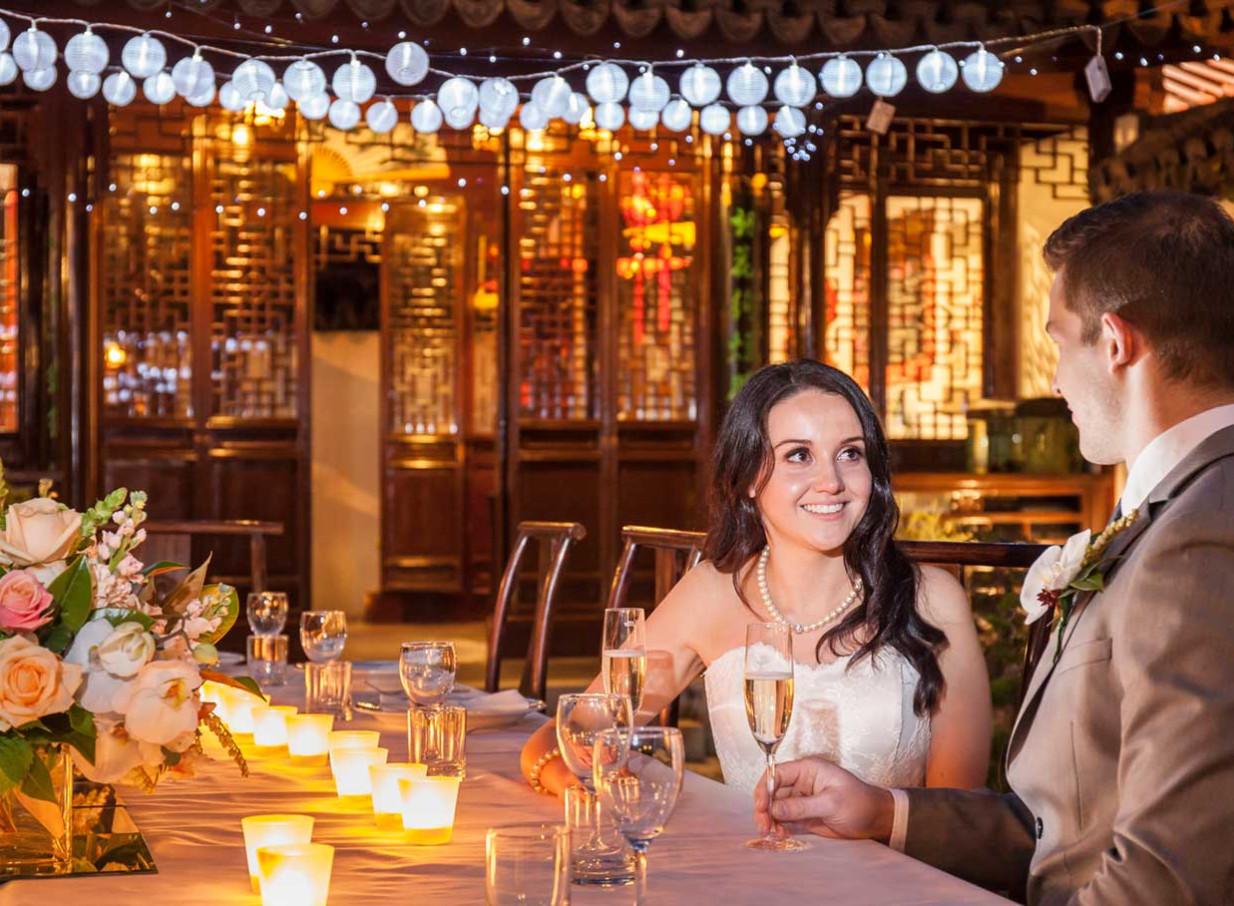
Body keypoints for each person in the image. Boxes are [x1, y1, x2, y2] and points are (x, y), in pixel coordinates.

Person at [755, 190, 1234, 905]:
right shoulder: (1175, 512)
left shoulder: (1203, 532)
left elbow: (1170, 875)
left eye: (1057, 342)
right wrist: (885, 812)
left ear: (1114, 343)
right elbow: (1071, 827)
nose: (1053, 380)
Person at [521, 360, 992, 798]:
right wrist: (567, 776)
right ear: (748, 476)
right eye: (798, 456)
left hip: (900, 882)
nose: (831, 481)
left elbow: (955, 818)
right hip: (749, 874)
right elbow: (568, 729)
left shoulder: (931, 601)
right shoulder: (710, 594)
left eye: (850, 453)